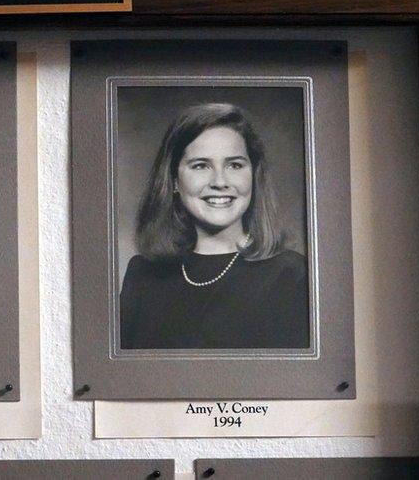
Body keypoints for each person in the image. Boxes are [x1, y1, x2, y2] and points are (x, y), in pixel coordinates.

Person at [119, 103, 309, 350]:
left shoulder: (291, 276)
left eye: (235, 165)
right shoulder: (142, 275)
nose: (220, 182)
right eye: (201, 165)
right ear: (174, 180)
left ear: (253, 175)